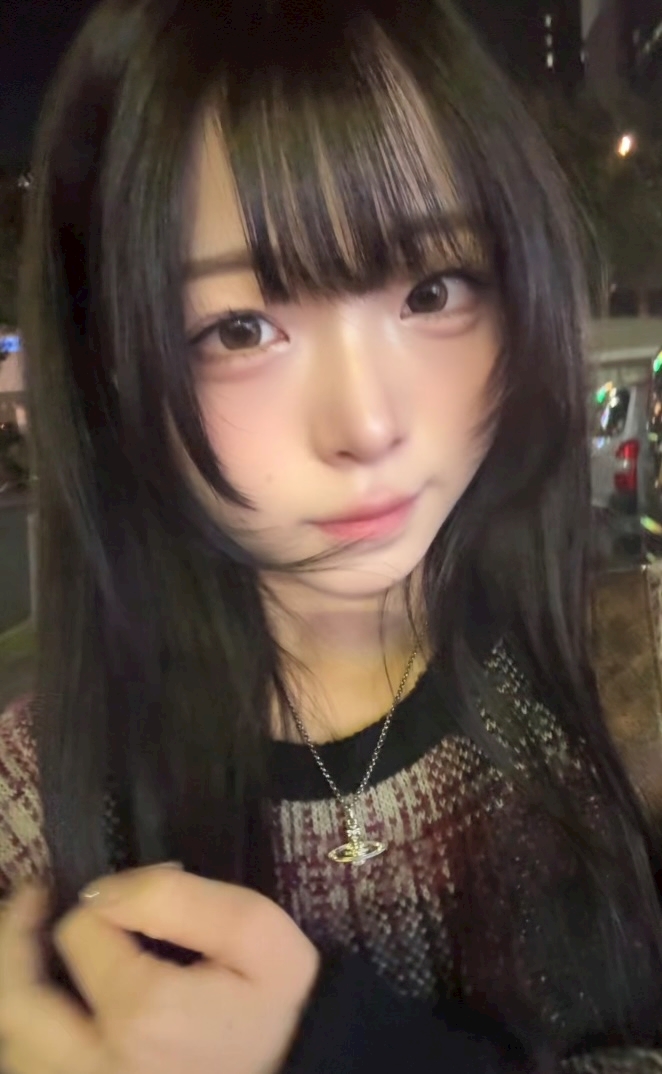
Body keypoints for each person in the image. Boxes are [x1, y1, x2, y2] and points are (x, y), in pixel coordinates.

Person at [0, 0, 661, 1071]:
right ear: (108, 365)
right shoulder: (32, 812)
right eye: (240, 329)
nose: (366, 424)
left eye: (432, 290)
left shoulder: (637, 671)